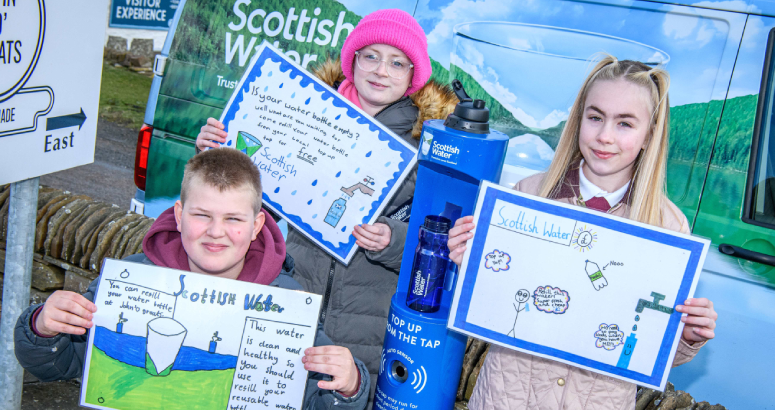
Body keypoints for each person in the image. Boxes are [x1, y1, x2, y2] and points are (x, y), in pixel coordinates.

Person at [196, 9, 458, 406]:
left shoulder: (431, 149)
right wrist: (218, 158)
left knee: (343, 398)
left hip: (365, 323)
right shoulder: (302, 116)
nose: (381, 70)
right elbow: (251, 209)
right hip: (292, 297)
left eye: (397, 62)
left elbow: (441, 248)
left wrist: (391, 239)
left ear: (412, 77)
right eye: (371, 55)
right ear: (352, 60)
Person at [446, 56, 718, 410]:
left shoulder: (668, 225)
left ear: (649, 134)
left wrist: (687, 336)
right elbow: (490, 302)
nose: (605, 136)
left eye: (625, 123)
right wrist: (470, 263)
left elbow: (651, 347)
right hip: (506, 395)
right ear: (579, 122)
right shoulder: (527, 195)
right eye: (595, 118)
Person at [14, 148, 369, 410]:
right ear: (179, 216)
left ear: (257, 225)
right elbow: (56, 365)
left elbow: (314, 400)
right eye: (202, 215)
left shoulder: (287, 300)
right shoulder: (130, 279)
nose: (217, 233)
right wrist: (43, 328)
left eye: (233, 219)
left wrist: (350, 386)